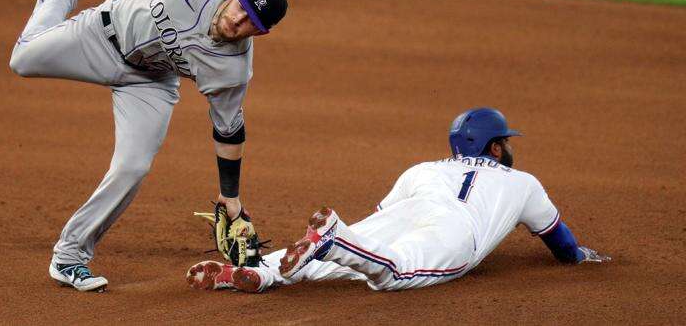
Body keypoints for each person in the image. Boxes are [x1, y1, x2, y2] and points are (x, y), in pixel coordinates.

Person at [9, 0, 287, 292]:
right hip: (100, 34)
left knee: (133, 166)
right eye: (241, 7)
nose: (238, 20)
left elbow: (230, 132)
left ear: (260, 34)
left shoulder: (232, 72)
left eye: (251, 24)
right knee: (21, 61)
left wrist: (232, 201)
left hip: (150, 82)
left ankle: (70, 254)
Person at [186, 108, 610, 293]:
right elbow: (562, 243)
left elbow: (380, 220)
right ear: (495, 149)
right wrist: (580, 256)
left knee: (358, 251)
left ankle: (261, 273)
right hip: (454, 230)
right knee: (393, 271)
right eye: (505, 141)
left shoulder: (422, 169)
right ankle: (333, 239)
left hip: (413, 207)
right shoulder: (523, 183)